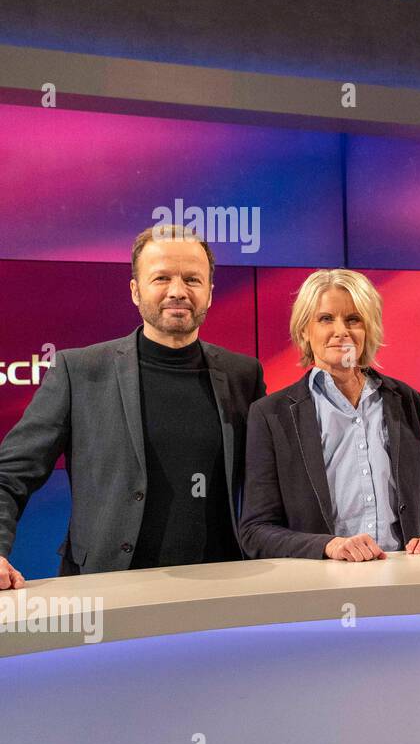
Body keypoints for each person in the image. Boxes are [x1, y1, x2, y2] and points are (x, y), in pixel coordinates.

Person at [0, 225, 265, 587]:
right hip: (105, 591)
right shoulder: (78, 371)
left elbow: (274, 482)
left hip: (219, 589)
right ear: (135, 291)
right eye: (161, 278)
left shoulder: (243, 375)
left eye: (192, 279)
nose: (178, 291)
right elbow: (10, 474)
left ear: (209, 292)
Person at [239, 270, 420, 561]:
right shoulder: (270, 415)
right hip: (320, 587)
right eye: (326, 319)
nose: (341, 331)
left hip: (404, 578)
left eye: (353, 320)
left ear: (369, 329)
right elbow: (256, 531)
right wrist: (328, 546)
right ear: (304, 330)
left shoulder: (406, 401)